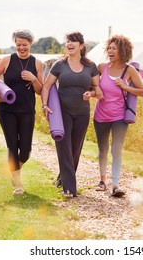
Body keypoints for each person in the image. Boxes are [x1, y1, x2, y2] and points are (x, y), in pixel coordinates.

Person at [41, 31, 102, 198]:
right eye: (67, 41)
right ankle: (69, 189)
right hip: (62, 112)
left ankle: (62, 178)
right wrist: (45, 105)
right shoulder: (60, 65)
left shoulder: (91, 66)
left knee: (75, 150)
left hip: (82, 113)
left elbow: (97, 89)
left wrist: (91, 94)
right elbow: (46, 86)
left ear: (81, 46)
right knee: (64, 148)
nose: (69, 43)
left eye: (73, 41)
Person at [0, 29, 44, 195]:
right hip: (7, 111)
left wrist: (33, 79)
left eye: (24, 45)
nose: (21, 48)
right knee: (12, 146)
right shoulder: (6, 60)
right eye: (18, 44)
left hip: (27, 111)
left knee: (25, 150)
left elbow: (40, 91)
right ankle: (18, 182)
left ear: (30, 44)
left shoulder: (37, 63)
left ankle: (15, 167)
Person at [93, 35, 143, 197]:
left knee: (116, 149)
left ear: (122, 51)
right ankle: (102, 181)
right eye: (109, 48)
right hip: (100, 115)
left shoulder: (129, 70)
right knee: (103, 149)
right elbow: (92, 85)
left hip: (119, 117)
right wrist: (95, 91)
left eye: (114, 48)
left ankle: (115, 184)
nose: (110, 50)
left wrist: (125, 86)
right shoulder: (101, 67)